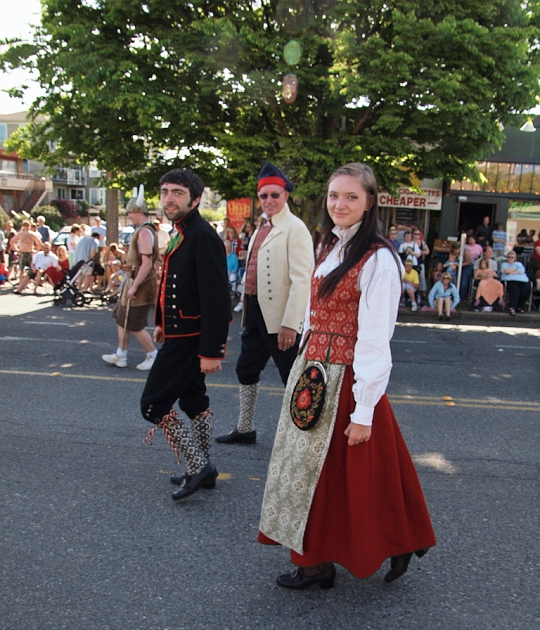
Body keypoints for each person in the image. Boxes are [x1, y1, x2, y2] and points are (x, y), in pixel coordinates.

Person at [258, 162, 436, 590]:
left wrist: (364, 410)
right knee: (317, 472)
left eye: (351, 196)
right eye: (334, 195)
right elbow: (312, 311)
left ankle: (380, 543)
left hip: (346, 378)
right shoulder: (331, 247)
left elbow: (376, 339)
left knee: (348, 473)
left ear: (370, 202)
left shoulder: (379, 260)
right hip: (314, 372)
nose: (340, 204)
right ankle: (319, 558)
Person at [140, 169, 231, 502]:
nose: (168, 198)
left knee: (153, 404)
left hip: (192, 338)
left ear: (195, 199)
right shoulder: (181, 231)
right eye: (164, 192)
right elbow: (175, 285)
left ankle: (198, 467)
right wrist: (163, 320)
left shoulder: (202, 235)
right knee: (194, 401)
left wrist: (212, 351)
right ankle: (203, 468)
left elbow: (218, 299)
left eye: (177, 192)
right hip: (179, 331)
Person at [216, 162, 314, 445]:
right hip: (256, 311)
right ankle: (245, 428)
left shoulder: (295, 228)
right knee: (246, 368)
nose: (269, 200)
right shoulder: (262, 226)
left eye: (275, 195)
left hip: (280, 316)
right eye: (264, 195)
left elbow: (302, 280)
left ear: (285, 195)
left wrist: (290, 324)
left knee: (292, 376)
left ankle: (302, 437)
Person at [102, 186, 159, 371]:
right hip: (133, 281)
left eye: (130, 212)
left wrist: (134, 286)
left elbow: (148, 263)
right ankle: (121, 354)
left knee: (134, 323)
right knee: (122, 318)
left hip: (140, 285)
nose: (129, 216)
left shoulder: (144, 232)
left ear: (138, 212)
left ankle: (153, 355)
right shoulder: (141, 230)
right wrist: (128, 268)